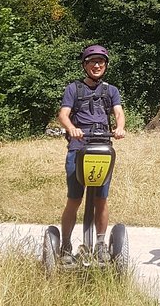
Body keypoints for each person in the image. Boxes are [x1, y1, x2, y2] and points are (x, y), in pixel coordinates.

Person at [57, 44, 126, 263]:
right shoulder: (74, 89)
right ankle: (66, 245)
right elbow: (63, 115)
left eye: (101, 62)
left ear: (105, 65)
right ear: (85, 65)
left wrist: (120, 128)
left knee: (101, 200)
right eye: (92, 62)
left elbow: (119, 113)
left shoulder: (110, 90)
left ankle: (100, 244)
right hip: (79, 149)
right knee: (74, 199)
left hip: (103, 148)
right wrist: (71, 128)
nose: (97, 66)